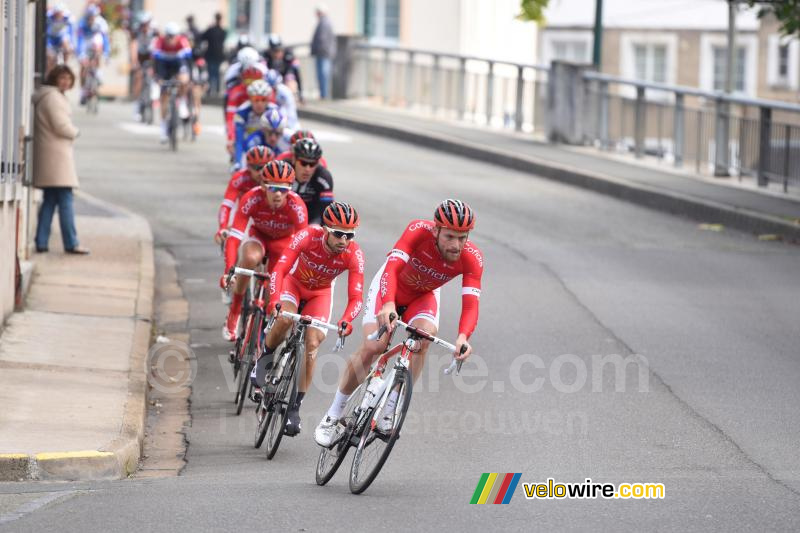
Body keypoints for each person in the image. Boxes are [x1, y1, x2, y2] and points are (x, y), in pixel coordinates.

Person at [314, 200, 483, 447]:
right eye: (450, 236)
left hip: (422, 296)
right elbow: (392, 269)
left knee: (423, 338)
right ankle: (333, 414)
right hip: (390, 288)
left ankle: (390, 407)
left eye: (462, 238)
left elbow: (470, 304)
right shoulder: (417, 231)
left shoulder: (472, 258)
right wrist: (388, 304)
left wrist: (462, 337)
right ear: (435, 230)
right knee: (374, 347)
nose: (456, 245)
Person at [251, 202, 364, 434]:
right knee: (284, 319)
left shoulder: (354, 254)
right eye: (338, 234)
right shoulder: (308, 236)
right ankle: (265, 357)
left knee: (312, 343)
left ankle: (294, 407)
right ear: (325, 230)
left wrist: (346, 320)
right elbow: (280, 269)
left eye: (349, 235)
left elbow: (356, 296)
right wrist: (274, 300)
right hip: (294, 285)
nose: (344, 240)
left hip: (319, 294)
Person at [221, 160, 308, 341]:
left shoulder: (297, 205)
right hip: (258, 236)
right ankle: (235, 312)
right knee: (250, 258)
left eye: (284, 189)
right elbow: (235, 237)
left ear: (290, 189)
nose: (278, 194)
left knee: (272, 296)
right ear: (262, 186)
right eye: (272, 188)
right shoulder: (251, 198)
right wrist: (229, 270)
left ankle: (262, 334)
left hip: (283, 243)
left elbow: (302, 248)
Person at [32, 65, 90, 255]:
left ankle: (41, 241)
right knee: (65, 199)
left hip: (51, 155)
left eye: (68, 78)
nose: (66, 82)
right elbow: (61, 125)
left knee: (50, 200)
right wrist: (76, 132)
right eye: (62, 78)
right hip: (56, 156)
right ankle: (71, 242)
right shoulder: (53, 98)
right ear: (55, 79)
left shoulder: (48, 96)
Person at [215, 145, 275, 245]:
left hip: (266, 215)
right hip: (243, 211)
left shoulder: (277, 180)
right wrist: (222, 228)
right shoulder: (239, 178)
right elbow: (226, 205)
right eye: (256, 168)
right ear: (248, 167)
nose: (260, 172)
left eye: (264, 167)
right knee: (231, 239)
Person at [151, 22, 193, 143]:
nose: (171, 39)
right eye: (169, 36)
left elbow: (189, 61)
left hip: (178, 65)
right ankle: (163, 129)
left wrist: (190, 79)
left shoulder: (182, 42)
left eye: (173, 36)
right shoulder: (160, 42)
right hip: (164, 66)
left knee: (184, 79)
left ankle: (182, 101)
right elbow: (156, 62)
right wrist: (157, 77)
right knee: (164, 97)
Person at [288, 138, 334, 225]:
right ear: (294, 159)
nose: (307, 169)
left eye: (312, 164)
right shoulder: (284, 171)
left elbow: (325, 213)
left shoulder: (324, 178)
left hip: (311, 219)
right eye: (303, 163)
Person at [225, 63, 266, 154]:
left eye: (255, 81)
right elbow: (230, 117)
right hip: (243, 121)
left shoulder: (266, 91)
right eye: (248, 82)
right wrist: (231, 138)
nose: (252, 85)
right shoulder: (236, 92)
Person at [232, 79, 272, 166]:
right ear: (250, 99)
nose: (259, 104)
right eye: (256, 99)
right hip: (248, 147)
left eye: (263, 99)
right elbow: (239, 141)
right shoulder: (241, 112)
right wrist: (238, 163)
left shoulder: (274, 111)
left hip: (268, 146)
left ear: (268, 100)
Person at [76, 5, 110, 104]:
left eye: (93, 17)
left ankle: (98, 72)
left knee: (98, 49)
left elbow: (105, 40)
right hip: (85, 41)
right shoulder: (82, 23)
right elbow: (80, 40)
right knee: (83, 65)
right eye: (89, 17)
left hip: (95, 39)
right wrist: (81, 54)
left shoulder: (101, 23)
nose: (91, 19)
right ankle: (82, 91)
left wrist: (107, 53)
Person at [129, 11, 157, 120]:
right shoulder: (136, 31)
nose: (144, 27)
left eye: (146, 24)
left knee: (154, 74)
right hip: (140, 55)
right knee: (138, 76)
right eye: (142, 24)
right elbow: (133, 47)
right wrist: (134, 63)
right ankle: (136, 104)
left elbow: (159, 47)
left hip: (151, 55)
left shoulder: (155, 30)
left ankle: (153, 96)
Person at [264, 34, 304, 103]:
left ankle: (291, 104)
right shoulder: (265, 57)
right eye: (275, 51)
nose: (278, 53)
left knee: (291, 81)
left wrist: (301, 94)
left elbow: (297, 74)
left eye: (280, 50)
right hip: (271, 84)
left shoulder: (289, 56)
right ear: (270, 51)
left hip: (285, 81)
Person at [310, 4, 336, 99]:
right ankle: (323, 94)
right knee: (323, 74)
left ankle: (324, 94)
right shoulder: (324, 22)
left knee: (323, 74)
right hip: (324, 53)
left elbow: (322, 39)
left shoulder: (324, 22)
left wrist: (317, 50)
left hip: (323, 53)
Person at [201, 12, 227, 95]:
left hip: (211, 54)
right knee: (216, 73)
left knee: (211, 73)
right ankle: (217, 90)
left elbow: (203, 37)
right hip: (218, 54)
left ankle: (210, 90)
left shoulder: (211, 30)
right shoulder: (223, 31)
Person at [45, 3, 75, 75]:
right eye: (57, 14)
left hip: (61, 38)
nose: (59, 16)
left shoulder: (68, 18)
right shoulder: (49, 17)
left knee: (66, 44)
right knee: (50, 57)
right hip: (51, 39)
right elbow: (46, 32)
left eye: (60, 13)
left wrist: (71, 46)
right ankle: (50, 74)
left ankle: (65, 66)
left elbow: (71, 32)